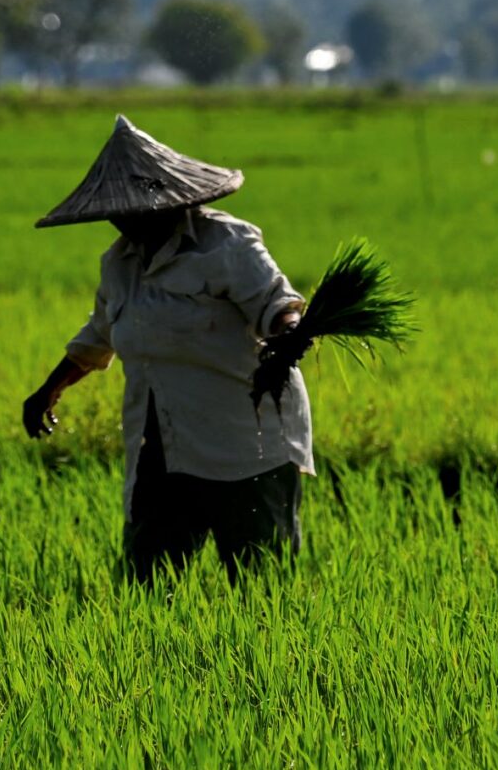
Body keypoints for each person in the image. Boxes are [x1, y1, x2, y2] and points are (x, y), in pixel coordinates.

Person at [22, 115, 310, 581]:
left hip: (245, 443)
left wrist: (289, 331)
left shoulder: (227, 244)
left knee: (262, 588)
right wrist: (49, 389)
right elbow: (99, 335)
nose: (123, 221)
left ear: (168, 200)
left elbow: (275, 301)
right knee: (147, 584)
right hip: (161, 447)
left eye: (134, 210)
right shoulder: (119, 264)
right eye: (116, 212)